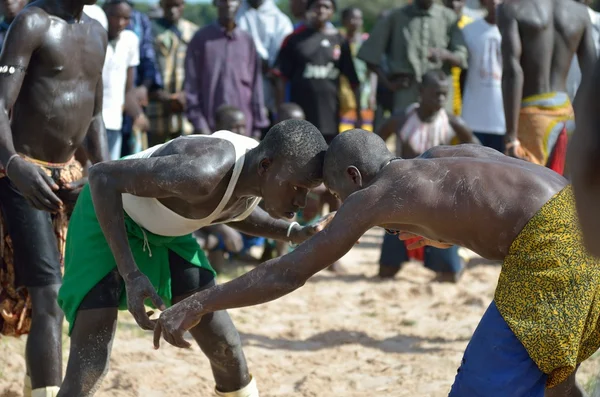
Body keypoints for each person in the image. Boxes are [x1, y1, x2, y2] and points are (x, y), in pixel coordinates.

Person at [154, 130, 598, 397]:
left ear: (354, 178)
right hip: (587, 221)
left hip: (552, 247)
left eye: (339, 196)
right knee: (551, 380)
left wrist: (198, 304)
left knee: (482, 385)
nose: (345, 206)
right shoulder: (440, 159)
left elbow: (288, 272)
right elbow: (484, 205)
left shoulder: (376, 193)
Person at [56, 119, 332, 396]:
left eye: (307, 191)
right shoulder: (201, 173)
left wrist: (297, 232)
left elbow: (232, 209)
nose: (301, 202)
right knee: (90, 363)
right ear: (265, 167)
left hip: (168, 233)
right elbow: (102, 177)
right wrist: (131, 273)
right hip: (108, 216)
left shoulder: (260, 168)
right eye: (297, 188)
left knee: (225, 346)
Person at [0, 0, 109, 394]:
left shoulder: (97, 30)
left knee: (62, 295)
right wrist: (13, 163)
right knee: (49, 294)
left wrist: (100, 173)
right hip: (22, 176)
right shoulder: (33, 22)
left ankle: (35, 387)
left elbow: (94, 115)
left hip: (71, 180)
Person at [376, 70, 479, 282]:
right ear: (421, 92)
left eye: (444, 94)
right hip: (402, 197)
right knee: (386, 272)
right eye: (436, 94)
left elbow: (478, 151)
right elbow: (374, 142)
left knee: (449, 275)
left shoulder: (452, 122)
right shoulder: (401, 119)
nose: (441, 99)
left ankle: (459, 258)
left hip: (437, 199)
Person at [498, 0, 597, 175]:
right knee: (562, 192)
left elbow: (512, 71)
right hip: (567, 116)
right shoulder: (580, 13)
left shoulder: (512, 8)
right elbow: (591, 74)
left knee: (530, 192)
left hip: (532, 119)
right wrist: (581, 124)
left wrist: (511, 137)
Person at [357, 0, 468, 115]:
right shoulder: (396, 17)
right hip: (407, 92)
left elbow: (462, 58)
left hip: (439, 94)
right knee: (406, 129)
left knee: (440, 130)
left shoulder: (449, 17)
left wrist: (445, 55)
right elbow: (369, 54)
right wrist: (388, 83)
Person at [274, 0, 362, 144]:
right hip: (298, 119)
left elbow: (353, 81)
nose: (321, 10)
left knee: (327, 160)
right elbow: (280, 78)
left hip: (330, 119)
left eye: (326, 7)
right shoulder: (293, 39)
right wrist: (281, 111)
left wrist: (359, 115)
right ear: (308, 10)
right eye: (317, 6)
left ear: (332, 12)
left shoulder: (340, 40)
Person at [185, 0, 268, 139]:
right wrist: (201, 126)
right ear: (215, 2)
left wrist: (257, 130)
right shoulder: (200, 40)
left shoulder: (247, 41)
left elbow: (256, 88)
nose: (229, 3)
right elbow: (191, 88)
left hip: (244, 131)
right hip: (210, 131)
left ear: (240, 3)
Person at [146, 0, 198, 147]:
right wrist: (158, 93)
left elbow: (198, 70)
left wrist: (186, 94)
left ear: (183, 6)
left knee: (185, 152)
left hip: (184, 104)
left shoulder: (192, 31)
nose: (172, 10)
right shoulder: (151, 30)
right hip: (157, 103)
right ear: (161, 5)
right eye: (168, 6)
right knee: (154, 154)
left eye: (177, 6)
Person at [102, 0, 150, 160]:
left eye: (126, 18)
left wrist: (138, 115)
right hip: (88, 126)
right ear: (105, 13)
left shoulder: (130, 41)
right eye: (115, 16)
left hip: (114, 123)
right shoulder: (92, 37)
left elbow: (127, 90)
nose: (120, 23)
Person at [236, 0, 293, 129]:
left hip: (271, 82)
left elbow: (284, 51)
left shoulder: (280, 20)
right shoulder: (235, 16)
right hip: (243, 83)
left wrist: (269, 67)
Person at [460, 0, 505, 153]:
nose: (495, 2)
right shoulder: (469, 30)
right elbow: (462, 73)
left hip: (504, 120)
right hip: (473, 118)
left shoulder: (515, 29)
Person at [339, 6, 373, 131]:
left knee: (363, 127)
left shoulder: (366, 41)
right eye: (352, 18)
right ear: (344, 21)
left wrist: (372, 93)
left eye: (359, 19)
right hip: (343, 90)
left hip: (364, 91)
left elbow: (372, 69)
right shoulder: (339, 40)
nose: (356, 22)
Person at [443, 0, 473, 117]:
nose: (454, 4)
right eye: (450, 1)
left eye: (459, 0)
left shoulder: (471, 26)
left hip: (466, 94)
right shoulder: (437, 23)